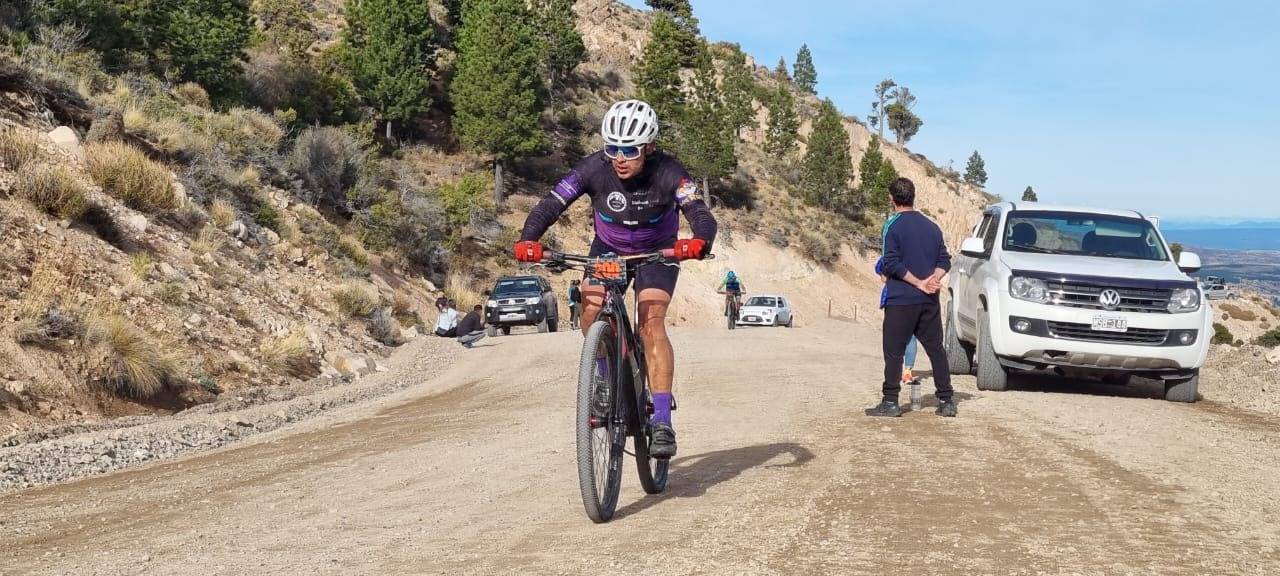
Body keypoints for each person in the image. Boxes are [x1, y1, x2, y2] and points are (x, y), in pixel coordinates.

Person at [513, 99, 717, 459]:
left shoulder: (669, 172)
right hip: (608, 249)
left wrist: (699, 241)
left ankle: (662, 420)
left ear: (649, 147)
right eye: (612, 148)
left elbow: (699, 210)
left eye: (630, 150)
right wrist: (528, 239)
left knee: (651, 324)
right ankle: (606, 376)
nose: (619, 158)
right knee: (591, 309)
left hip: (658, 252)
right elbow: (552, 203)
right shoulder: (593, 167)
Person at [867, 177, 956, 418]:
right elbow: (944, 260)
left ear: (891, 198)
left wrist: (918, 282)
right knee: (936, 349)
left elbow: (891, 262)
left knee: (894, 352)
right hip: (929, 300)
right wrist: (933, 279)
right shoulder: (932, 227)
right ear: (913, 196)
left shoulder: (892, 225)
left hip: (901, 299)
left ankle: (890, 401)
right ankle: (946, 400)